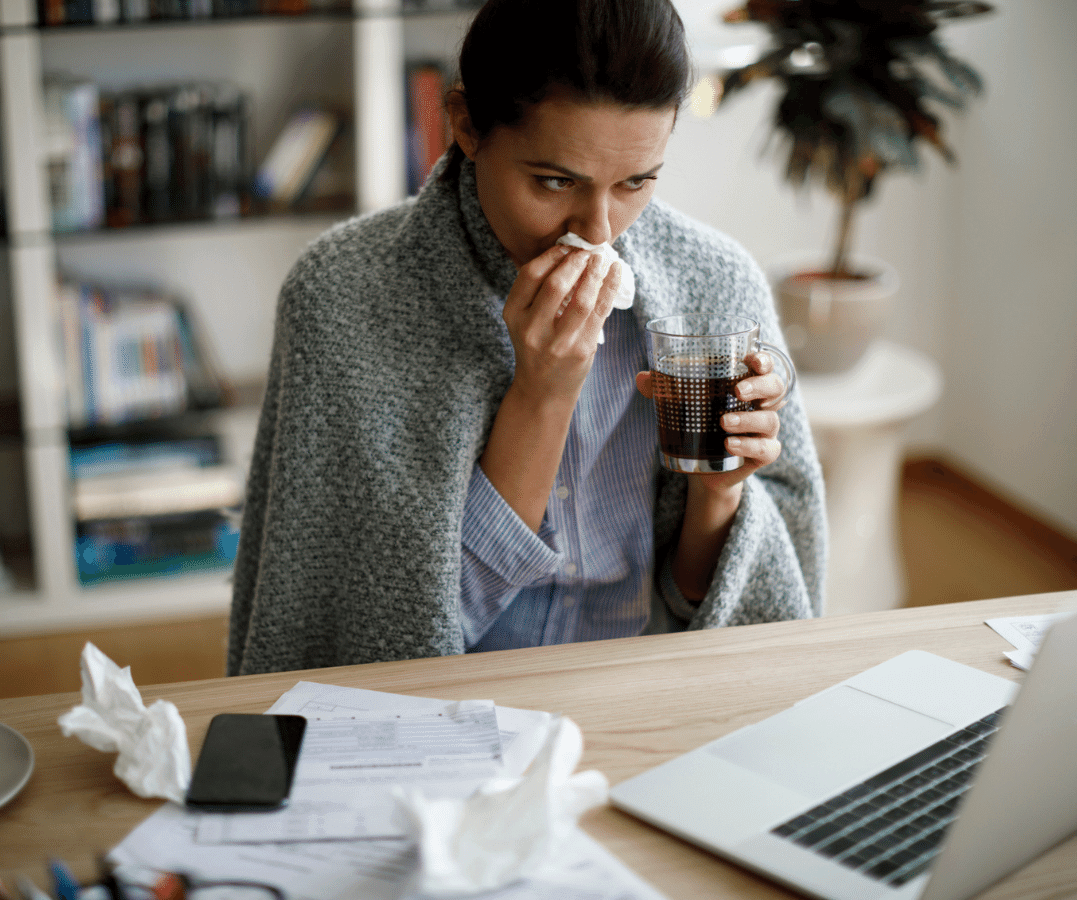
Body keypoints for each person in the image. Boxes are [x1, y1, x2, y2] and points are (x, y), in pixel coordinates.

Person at [227, 0, 827, 676]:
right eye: (553, 181)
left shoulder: (714, 283)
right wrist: (541, 394)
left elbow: (699, 605)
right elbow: (398, 634)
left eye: (637, 182)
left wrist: (720, 492)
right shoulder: (343, 294)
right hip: (452, 714)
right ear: (465, 125)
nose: (598, 231)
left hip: (648, 686)